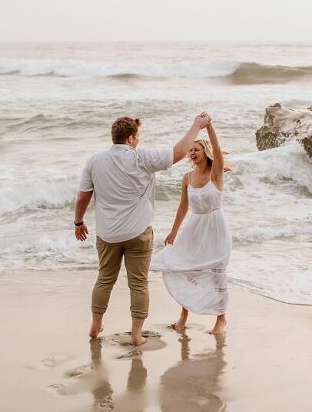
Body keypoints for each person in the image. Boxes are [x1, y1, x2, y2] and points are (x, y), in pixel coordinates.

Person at [74, 112, 212, 346]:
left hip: (107, 234)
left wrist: (78, 222)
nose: (138, 140)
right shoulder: (143, 158)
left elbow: (83, 196)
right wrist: (197, 126)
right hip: (138, 233)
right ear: (130, 139)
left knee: (105, 279)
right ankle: (137, 335)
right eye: (137, 136)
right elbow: (179, 153)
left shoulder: (94, 161)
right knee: (138, 283)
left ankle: (96, 325)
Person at [150, 122, 231, 335]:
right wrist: (173, 231)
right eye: (191, 150)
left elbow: (217, 148)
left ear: (206, 152)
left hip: (216, 228)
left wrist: (210, 127)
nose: (192, 152)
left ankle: (221, 319)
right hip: (194, 228)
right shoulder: (186, 178)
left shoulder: (216, 173)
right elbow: (183, 207)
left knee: (216, 273)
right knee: (185, 267)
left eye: (197, 149)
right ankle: (184, 314)